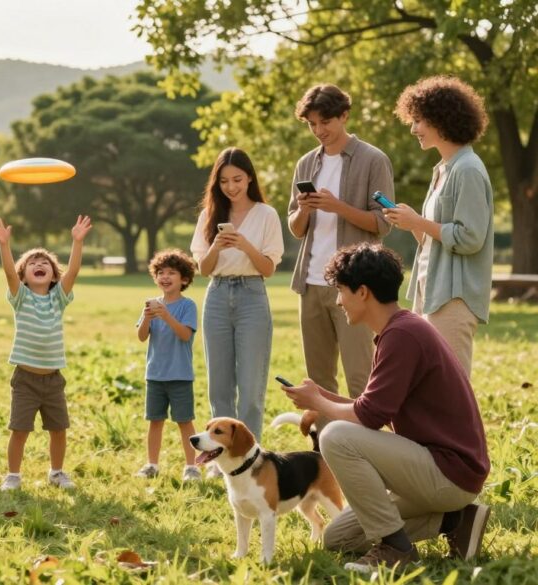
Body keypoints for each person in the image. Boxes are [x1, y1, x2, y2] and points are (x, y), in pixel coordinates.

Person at [282, 243, 490, 573]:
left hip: (448, 472)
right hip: (437, 471)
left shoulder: (403, 336)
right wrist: (323, 396)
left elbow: (369, 418)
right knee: (339, 537)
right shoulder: (399, 330)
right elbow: (374, 406)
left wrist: (319, 404)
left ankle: (396, 549)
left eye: (341, 291)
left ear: (362, 292)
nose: (338, 301)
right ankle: (456, 519)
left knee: (335, 436)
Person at [288, 84, 394, 404]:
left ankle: (364, 451)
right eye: (312, 124)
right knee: (319, 382)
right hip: (310, 284)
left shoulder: (373, 160)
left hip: (354, 286)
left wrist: (339, 207)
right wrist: (304, 210)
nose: (319, 131)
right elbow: (295, 228)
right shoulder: (306, 163)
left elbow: (383, 223)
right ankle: (324, 452)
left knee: (361, 378)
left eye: (326, 122)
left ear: (344, 115)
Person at [386, 75, 494, 375]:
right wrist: (412, 224)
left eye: (418, 120)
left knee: (451, 385)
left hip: (453, 299)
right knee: (429, 383)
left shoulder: (468, 170)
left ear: (441, 119)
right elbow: (438, 240)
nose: (413, 128)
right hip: (430, 292)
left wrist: (420, 221)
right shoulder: (444, 169)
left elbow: (471, 237)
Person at [0, 215, 92, 491]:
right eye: (32, 263)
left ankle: (57, 472)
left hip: (53, 380)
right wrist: (4, 245)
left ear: (53, 275)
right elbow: (9, 273)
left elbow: (73, 272)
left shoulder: (58, 298)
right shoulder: (20, 297)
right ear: (24, 276)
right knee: (19, 430)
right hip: (25, 379)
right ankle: (13, 475)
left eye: (44, 262)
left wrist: (77, 242)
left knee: (59, 429)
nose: (38, 264)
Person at [191, 147, 284, 449]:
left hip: (252, 297)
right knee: (219, 386)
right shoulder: (209, 215)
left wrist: (245, 246)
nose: (231, 187)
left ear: (250, 178)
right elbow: (204, 269)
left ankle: (249, 454)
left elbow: (268, 268)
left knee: (250, 385)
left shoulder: (266, 214)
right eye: (224, 181)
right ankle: (220, 453)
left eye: (237, 179)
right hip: (217, 296)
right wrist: (217, 247)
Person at [134, 249, 200, 482]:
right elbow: (142, 337)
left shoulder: (188, 306)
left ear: (184, 279)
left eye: (171, 273)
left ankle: (192, 467)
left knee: (184, 421)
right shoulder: (152, 305)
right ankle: (152, 464)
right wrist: (148, 318)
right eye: (160, 272)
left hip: (180, 375)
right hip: (155, 375)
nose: (165, 276)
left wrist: (166, 316)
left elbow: (184, 335)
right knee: (155, 421)